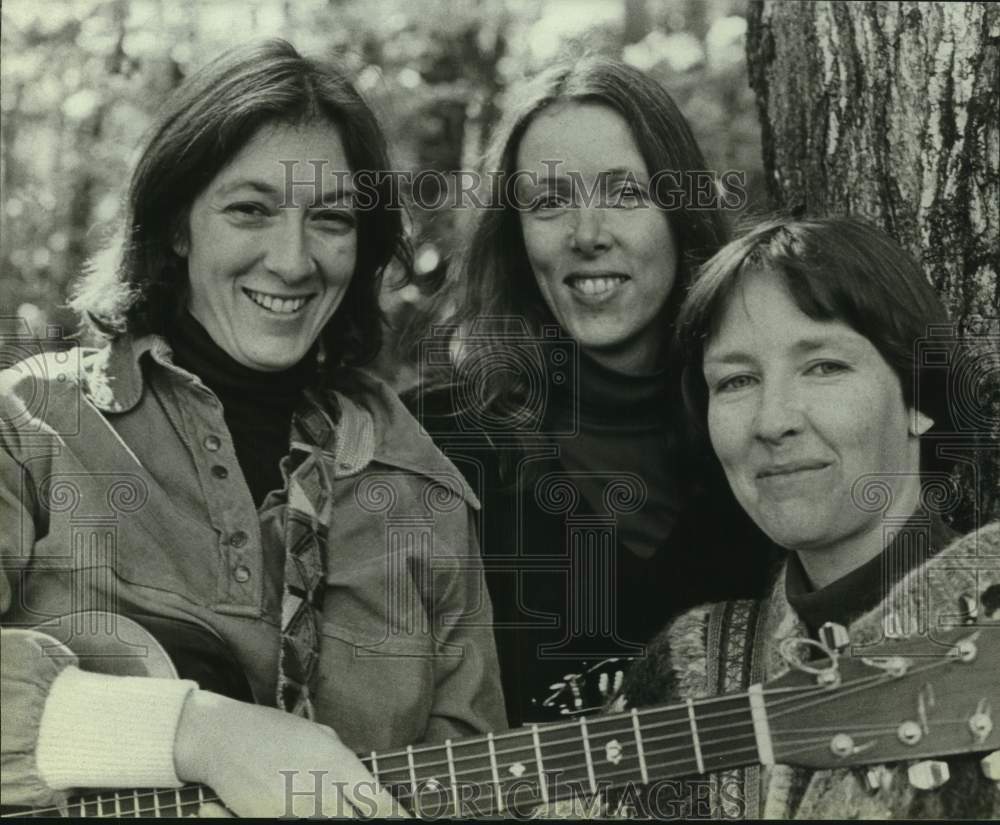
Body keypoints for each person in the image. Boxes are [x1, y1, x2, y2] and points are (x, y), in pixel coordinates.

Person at [0, 39, 505, 817]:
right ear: (177, 224)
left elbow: (477, 788)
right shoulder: (32, 427)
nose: (293, 260)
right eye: (250, 209)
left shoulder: (422, 495)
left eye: (330, 218)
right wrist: (199, 733)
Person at [407, 55, 778, 729]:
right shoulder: (435, 446)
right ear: (516, 235)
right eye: (549, 202)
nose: (587, 235)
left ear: (681, 211)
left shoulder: (767, 425)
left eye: (625, 193)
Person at [624, 216, 1000, 818]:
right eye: (737, 380)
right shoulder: (692, 666)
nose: (773, 422)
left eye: (824, 367)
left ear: (920, 399)